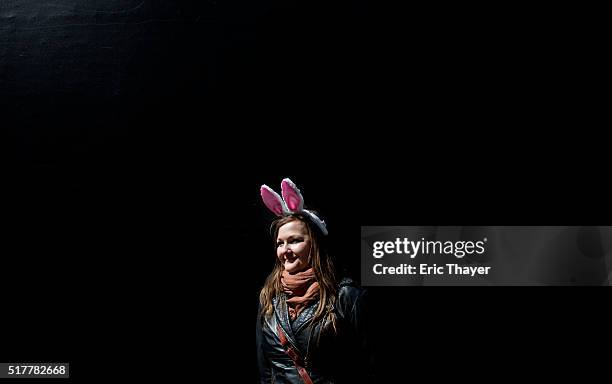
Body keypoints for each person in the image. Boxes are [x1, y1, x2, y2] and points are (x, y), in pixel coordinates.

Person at [256, 178, 373, 384]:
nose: (285, 250)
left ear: (315, 245)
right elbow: (266, 369)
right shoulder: (270, 296)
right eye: (280, 243)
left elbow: (367, 365)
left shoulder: (346, 295)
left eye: (295, 241)